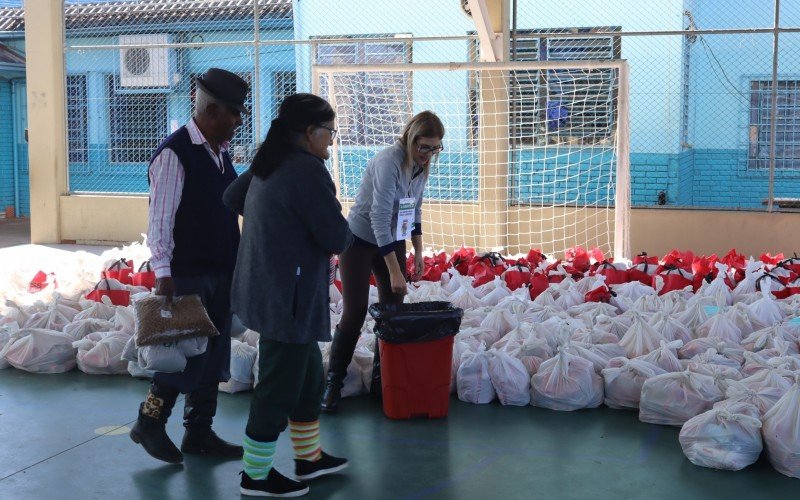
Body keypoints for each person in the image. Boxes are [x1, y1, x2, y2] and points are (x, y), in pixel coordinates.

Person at [223, 93, 353, 497]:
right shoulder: (307, 171)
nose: (331, 141)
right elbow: (335, 235)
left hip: (266, 284)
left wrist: (274, 223)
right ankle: (255, 475)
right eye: (329, 132)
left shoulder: (271, 159)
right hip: (287, 296)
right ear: (310, 132)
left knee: (309, 374)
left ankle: (308, 458)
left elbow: (231, 198)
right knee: (279, 384)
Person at [129, 68, 247, 464]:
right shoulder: (174, 154)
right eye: (234, 113)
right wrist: (164, 274)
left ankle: (199, 432)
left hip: (221, 268)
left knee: (213, 355)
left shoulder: (219, 151)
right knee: (183, 352)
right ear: (212, 110)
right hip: (189, 271)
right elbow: (159, 221)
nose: (238, 121)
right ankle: (149, 423)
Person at [322, 111, 445, 413]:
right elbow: (378, 218)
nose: (428, 154)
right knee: (355, 310)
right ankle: (333, 383)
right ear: (411, 138)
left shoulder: (420, 166)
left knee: (394, 311)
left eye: (435, 148)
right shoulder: (390, 160)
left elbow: (414, 209)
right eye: (424, 147)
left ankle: (383, 379)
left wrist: (417, 251)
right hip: (360, 239)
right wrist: (394, 271)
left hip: (392, 239)